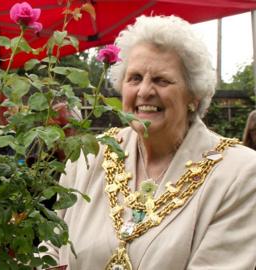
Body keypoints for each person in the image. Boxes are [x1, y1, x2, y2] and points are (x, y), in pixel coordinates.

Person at [43, 15, 256, 269]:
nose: (144, 91)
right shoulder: (88, 156)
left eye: (161, 80)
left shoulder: (240, 174)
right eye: (134, 78)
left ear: (194, 96)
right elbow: (50, 247)